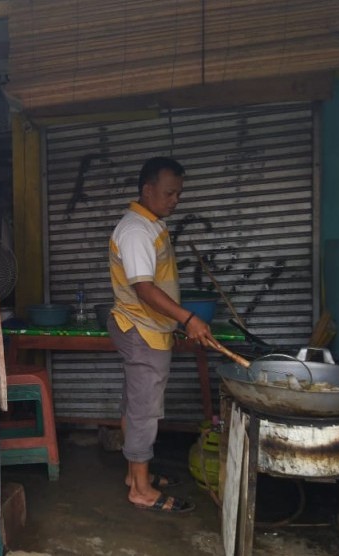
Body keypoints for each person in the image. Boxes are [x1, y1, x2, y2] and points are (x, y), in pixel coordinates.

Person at [107, 156, 222, 514]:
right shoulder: (136, 230)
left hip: (147, 328)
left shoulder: (151, 224)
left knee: (135, 404)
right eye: (170, 193)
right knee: (144, 411)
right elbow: (144, 288)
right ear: (147, 189)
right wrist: (188, 319)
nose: (176, 200)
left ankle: (134, 475)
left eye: (179, 194)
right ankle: (140, 490)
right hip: (142, 330)